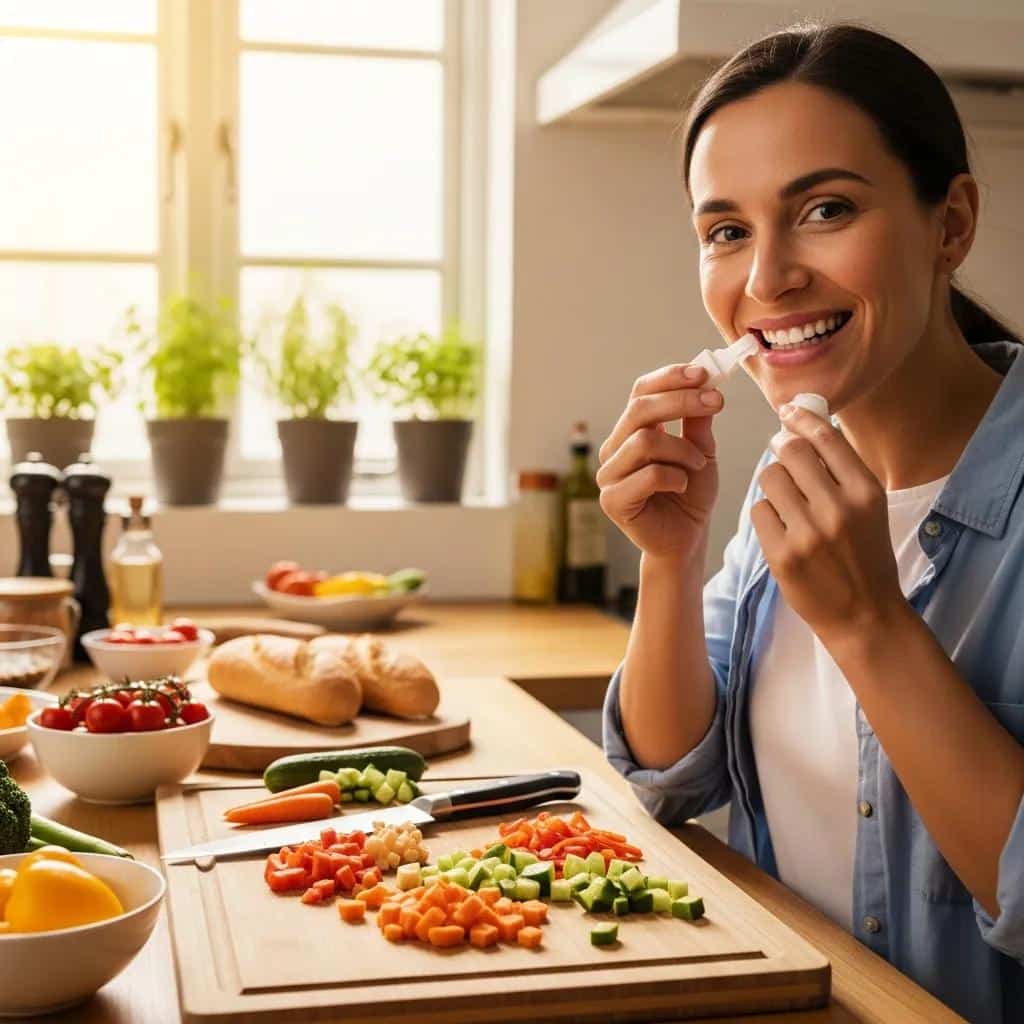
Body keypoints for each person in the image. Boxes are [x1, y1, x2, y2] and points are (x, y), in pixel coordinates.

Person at [597, 22, 1024, 1023]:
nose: (766, 279)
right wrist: (671, 555)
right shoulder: (788, 479)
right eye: (726, 231)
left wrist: (869, 622)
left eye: (823, 208)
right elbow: (670, 773)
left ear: (950, 222)